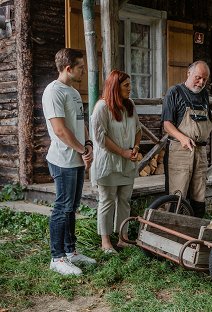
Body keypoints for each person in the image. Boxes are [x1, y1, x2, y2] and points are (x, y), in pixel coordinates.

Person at [42, 48, 96, 275]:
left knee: (72, 208)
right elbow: (60, 130)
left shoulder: (73, 91)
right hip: (62, 160)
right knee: (62, 208)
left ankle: (70, 251)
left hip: (76, 159)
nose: (83, 71)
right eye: (80, 68)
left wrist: (89, 144)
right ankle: (57, 258)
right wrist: (82, 150)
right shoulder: (53, 92)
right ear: (68, 68)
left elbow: (80, 123)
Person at [91, 70, 142, 253]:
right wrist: (122, 152)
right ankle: (105, 241)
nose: (130, 88)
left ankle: (123, 238)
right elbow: (99, 138)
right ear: (115, 87)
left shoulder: (130, 106)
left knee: (125, 200)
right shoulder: (102, 108)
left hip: (128, 162)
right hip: (109, 163)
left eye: (130, 84)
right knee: (107, 200)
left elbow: (138, 129)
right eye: (126, 85)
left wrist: (135, 149)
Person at [161, 61, 212, 218]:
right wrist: (182, 137)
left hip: (200, 151)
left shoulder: (204, 95)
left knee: (199, 192)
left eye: (205, 79)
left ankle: (196, 229)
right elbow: (167, 124)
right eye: (198, 77)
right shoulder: (174, 92)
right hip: (180, 151)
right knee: (177, 192)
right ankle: (173, 230)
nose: (201, 82)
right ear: (188, 73)